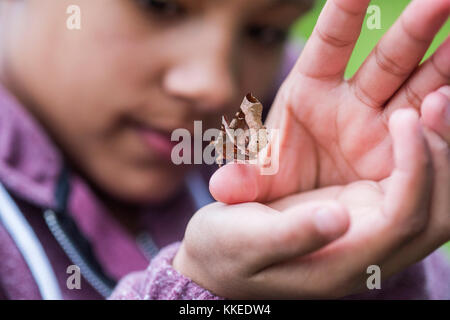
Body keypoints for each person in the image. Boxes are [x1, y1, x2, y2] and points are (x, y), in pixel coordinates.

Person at [0, 0, 448, 300]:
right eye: (160, 5)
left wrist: (369, 271)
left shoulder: (293, 124)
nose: (215, 86)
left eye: (263, 32)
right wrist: (200, 294)